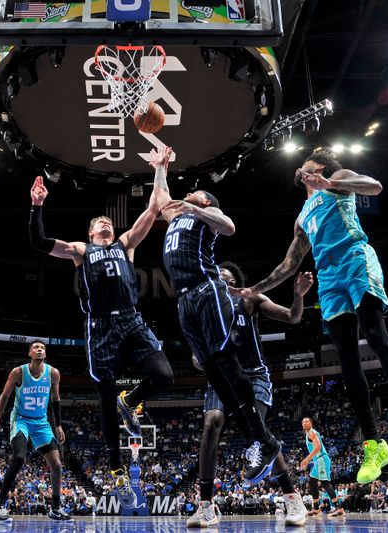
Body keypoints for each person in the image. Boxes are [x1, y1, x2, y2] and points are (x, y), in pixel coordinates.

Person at [236, 150, 388, 484]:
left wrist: (328, 182)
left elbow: (375, 187)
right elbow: (289, 264)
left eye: (306, 165)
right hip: (328, 277)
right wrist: (255, 287)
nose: (300, 168)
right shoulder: (301, 217)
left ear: (321, 168)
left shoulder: (338, 180)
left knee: (374, 335)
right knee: (347, 360)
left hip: (354, 258)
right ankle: (374, 444)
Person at [28, 149, 175, 507]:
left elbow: (155, 208)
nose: (106, 224)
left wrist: (160, 169)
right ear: (91, 232)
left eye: (108, 222)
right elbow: (39, 243)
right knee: (106, 399)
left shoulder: (126, 245)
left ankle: (133, 401)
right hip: (100, 327)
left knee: (164, 375)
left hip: (131, 319)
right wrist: (37, 206)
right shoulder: (80, 250)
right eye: (99, 224)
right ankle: (116, 470)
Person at [151, 147, 281, 487]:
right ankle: (263, 440)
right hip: (184, 299)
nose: (187, 194)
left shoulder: (204, 216)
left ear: (206, 201)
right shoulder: (177, 215)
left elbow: (230, 226)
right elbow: (161, 198)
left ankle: (263, 441)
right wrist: (161, 168)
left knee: (225, 363)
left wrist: (195, 205)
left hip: (207, 290)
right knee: (211, 370)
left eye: (195, 194)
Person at [186, 262, 314, 528]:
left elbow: (292, 317)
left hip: (253, 376)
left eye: (227, 279)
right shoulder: (204, 311)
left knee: (260, 432)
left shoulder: (250, 301)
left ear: (236, 284)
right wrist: (201, 358)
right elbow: (196, 358)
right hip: (221, 378)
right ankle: (206, 506)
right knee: (211, 424)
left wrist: (298, 295)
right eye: (217, 278)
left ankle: (292, 498)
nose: (222, 282)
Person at [0, 340, 71, 521]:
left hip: (41, 422)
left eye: (42, 348)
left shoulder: (53, 373)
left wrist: (58, 425)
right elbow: (4, 396)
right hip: (21, 420)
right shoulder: (18, 372)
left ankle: (55, 508)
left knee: (56, 465)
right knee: (19, 457)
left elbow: (56, 400)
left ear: (45, 354)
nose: (39, 349)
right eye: (36, 347)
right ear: (29, 353)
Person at [300, 417, 344, 518]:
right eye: (303, 422)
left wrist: (307, 459)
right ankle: (316, 509)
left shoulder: (312, 432)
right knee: (312, 482)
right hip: (317, 461)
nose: (304, 423)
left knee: (325, 483)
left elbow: (318, 446)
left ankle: (339, 509)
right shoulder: (308, 434)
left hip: (322, 460)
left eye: (306, 421)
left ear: (311, 423)